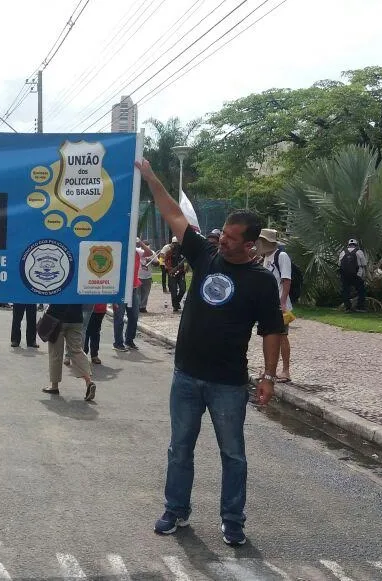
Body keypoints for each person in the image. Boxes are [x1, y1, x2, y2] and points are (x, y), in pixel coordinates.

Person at [136, 159, 284, 547]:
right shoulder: (205, 255)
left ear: (250, 244)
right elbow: (172, 213)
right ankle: (176, 510)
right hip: (186, 375)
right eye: (224, 234)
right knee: (180, 448)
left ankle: (233, 520)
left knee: (232, 455)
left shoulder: (261, 283)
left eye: (232, 238)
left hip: (229, 384)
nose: (223, 240)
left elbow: (272, 330)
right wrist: (152, 177)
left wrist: (268, 377)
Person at [258, 229, 293, 383]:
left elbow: (286, 279)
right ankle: (269, 370)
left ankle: (285, 370)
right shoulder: (265, 258)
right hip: (267, 304)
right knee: (268, 337)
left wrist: (283, 302)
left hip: (279, 304)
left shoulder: (281, 256)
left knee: (282, 337)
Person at [41, 304, 97, 401]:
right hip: (76, 318)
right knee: (76, 351)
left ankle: (54, 386)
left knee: (56, 353)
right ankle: (89, 381)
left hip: (56, 317)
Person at [113, 249, 142, 351]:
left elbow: (150, 253)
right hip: (120, 290)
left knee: (134, 316)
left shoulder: (137, 252)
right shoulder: (119, 251)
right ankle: (118, 342)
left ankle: (129, 340)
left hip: (133, 289)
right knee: (119, 317)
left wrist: (140, 243)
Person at [338, 239, 368, 313]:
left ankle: (348, 307)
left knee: (345, 291)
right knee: (361, 291)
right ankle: (360, 307)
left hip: (345, 275)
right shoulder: (359, 251)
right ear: (356, 245)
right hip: (357, 275)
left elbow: (339, 264)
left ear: (348, 245)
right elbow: (364, 264)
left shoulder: (343, 252)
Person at [136, 240, 156, 312]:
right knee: (137, 292)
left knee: (146, 293)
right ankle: (137, 306)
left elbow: (157, 263)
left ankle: (143, 307)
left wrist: (151, 260)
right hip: (138, 276)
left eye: (148, 246)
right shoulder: (138, 251)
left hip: (147, 276)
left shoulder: (152, 253)